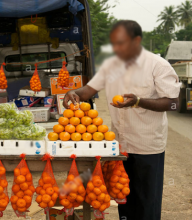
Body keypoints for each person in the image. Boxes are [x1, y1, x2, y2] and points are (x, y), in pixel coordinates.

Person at [64, 20, 181, 220]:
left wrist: (138, 102)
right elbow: (89, 90)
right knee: (123, 199)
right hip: (119, 147)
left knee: (146, 204)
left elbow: (173, 104)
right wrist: (74, 92)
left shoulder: (157, 65)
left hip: (147, 147)